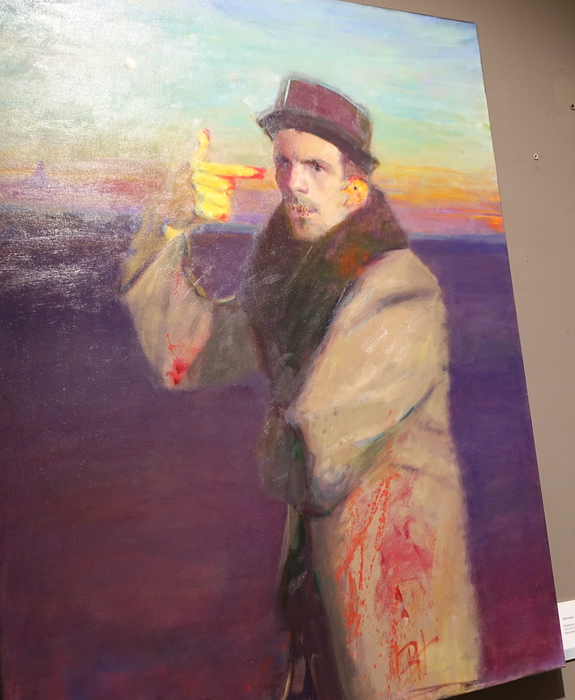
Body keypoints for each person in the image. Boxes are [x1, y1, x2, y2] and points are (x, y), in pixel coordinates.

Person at [120, 77, 481, 700]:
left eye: (315, 166)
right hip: (319, 622)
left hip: (401, 637)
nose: (294, 182)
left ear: (354, 188)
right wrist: (171, 223)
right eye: (284, 163)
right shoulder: (295, 281)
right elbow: (185, 355)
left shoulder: (400, 292)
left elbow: (316, 458)